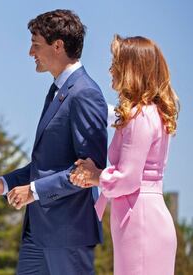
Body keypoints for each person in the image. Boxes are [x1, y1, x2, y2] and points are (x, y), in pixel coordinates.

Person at [0, 10, 108, 274]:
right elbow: (46, 165)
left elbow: (90, 172)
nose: (30, 53)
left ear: (58, 46)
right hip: (39, 233)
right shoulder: (58, 91)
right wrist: (3, 184)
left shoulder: (85, 93)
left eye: (35, 45)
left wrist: (33, 191)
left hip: (68, 235)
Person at [70, 35, 179, 275]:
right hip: (144, 216)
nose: (111, 69)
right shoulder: (153, 113)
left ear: (132, 68)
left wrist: (95, 175)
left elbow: (127, 179)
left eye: (116, 63)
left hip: (139, 220)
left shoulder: (140, 116)